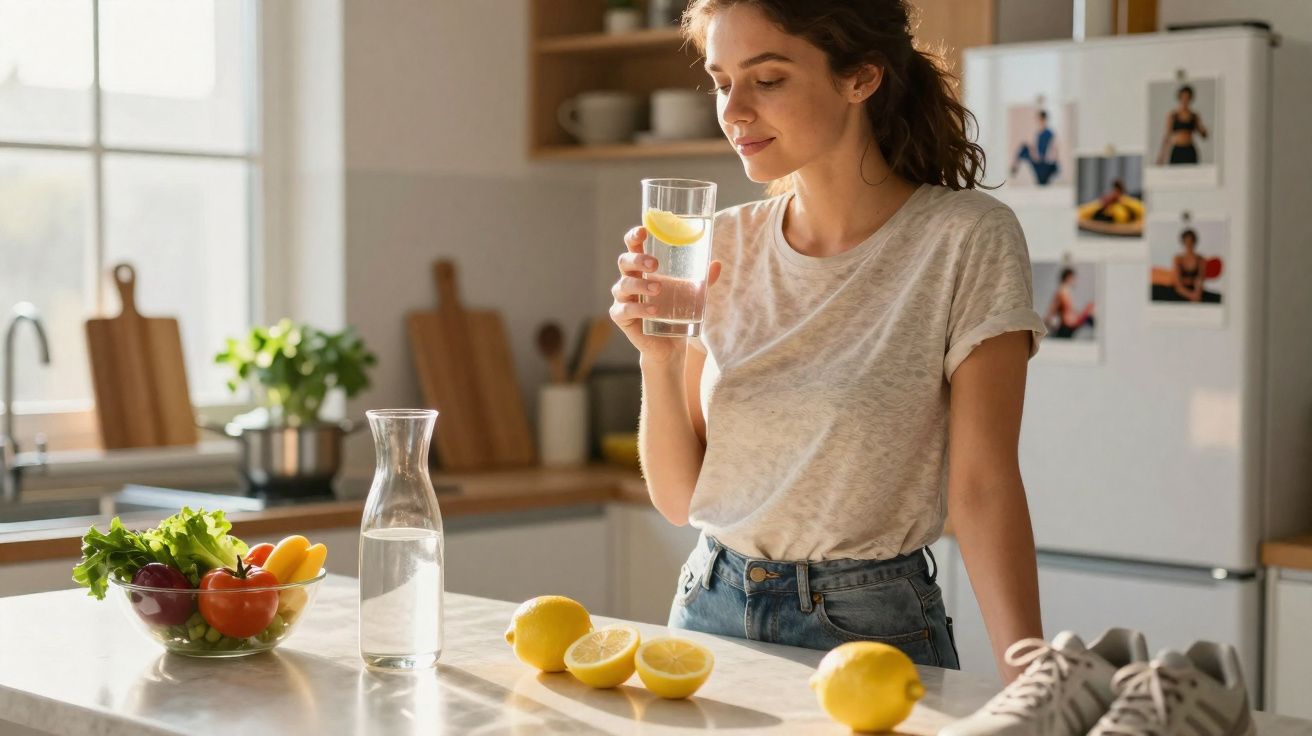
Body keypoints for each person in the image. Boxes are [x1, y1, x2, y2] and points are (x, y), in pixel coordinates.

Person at [608, 0, 1047, 682]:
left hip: (871, 631)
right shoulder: (720, 242)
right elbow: (681, 499)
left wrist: (1031, 678)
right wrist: (657, 360)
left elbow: (986, 487)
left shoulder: (965, 240)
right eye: (722, 81)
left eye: (768, 79)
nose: (734, 110)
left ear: (860, 78)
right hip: (708, 612)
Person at [1156, 84, 1209, 166]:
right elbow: (1167, 136)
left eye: (1187, 97)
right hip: (1177, 150)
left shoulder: (1194, 116)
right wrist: (1161, 156)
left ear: (1190, 98)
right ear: (1179, 98)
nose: (1185, 99)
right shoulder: (1173, 115)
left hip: (1189, 150)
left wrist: (1203, 130)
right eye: (1183, 97)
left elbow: (1203, 134)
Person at [1010, 109, 1059, 185]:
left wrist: (1043, 157)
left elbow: (1052, 149)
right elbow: (1036, 148)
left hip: (1044, 163)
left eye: (1039, 118)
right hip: (1038, 159)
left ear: (1043, 119)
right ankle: (1014, 167)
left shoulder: (1049, 133)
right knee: (1023, 147)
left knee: (1042, 182)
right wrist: (1032, 151)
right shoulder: (1038, 133)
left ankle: (1015, 167)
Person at [1043, 268, 1095, 338]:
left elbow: (1070, 310)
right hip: (1068, 324)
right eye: (1073, 278)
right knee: (1090, 307)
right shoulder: (1061, 291)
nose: (1074, 280)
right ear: (1068, 277)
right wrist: (1045, 323)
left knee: (1091, 307)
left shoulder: (1066, 291)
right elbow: (1053, 309)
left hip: (1072, 322)